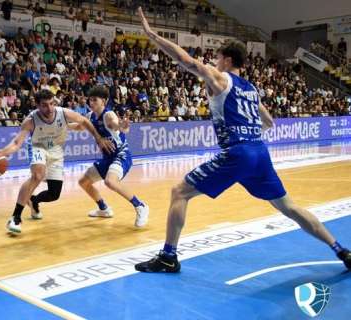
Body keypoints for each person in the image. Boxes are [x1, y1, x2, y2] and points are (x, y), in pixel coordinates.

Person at [134, 7, 351, 273]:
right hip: (260, 152)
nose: (214, 62)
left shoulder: (220, 79)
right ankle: (341, 249)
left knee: (180, 192)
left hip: (239, 153)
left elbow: (186, 60)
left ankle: (168, 257)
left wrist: (152, 35)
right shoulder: (251, 89)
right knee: (290, 207)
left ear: (225, 60)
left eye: (216, 58)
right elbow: (269, 122)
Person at [0, 90, 115, 234]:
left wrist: (98, 138)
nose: (49, 108)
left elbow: (84, 121)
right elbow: (17, 143)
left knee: (54, 194)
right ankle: (15, 217)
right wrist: (1, 153)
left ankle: (33, 201)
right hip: (38, 147)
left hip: (56, 151)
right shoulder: (30, 120)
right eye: (44, 105)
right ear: (37, 105)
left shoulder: (63, 113)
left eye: (51, 104)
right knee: (37, 175)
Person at [71, 86, 149, 227]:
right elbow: (79, 127)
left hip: (121, 155)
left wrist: (122, 126)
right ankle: (104, 209)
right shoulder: (90, 116)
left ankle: (140, 206)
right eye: (90, 100)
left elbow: (116, 124)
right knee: (84, 182)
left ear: (104, 102)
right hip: (108, 158)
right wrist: (61, 125)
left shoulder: (108, 115)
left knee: (110, 181)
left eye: (95, 100)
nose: (92, 103)